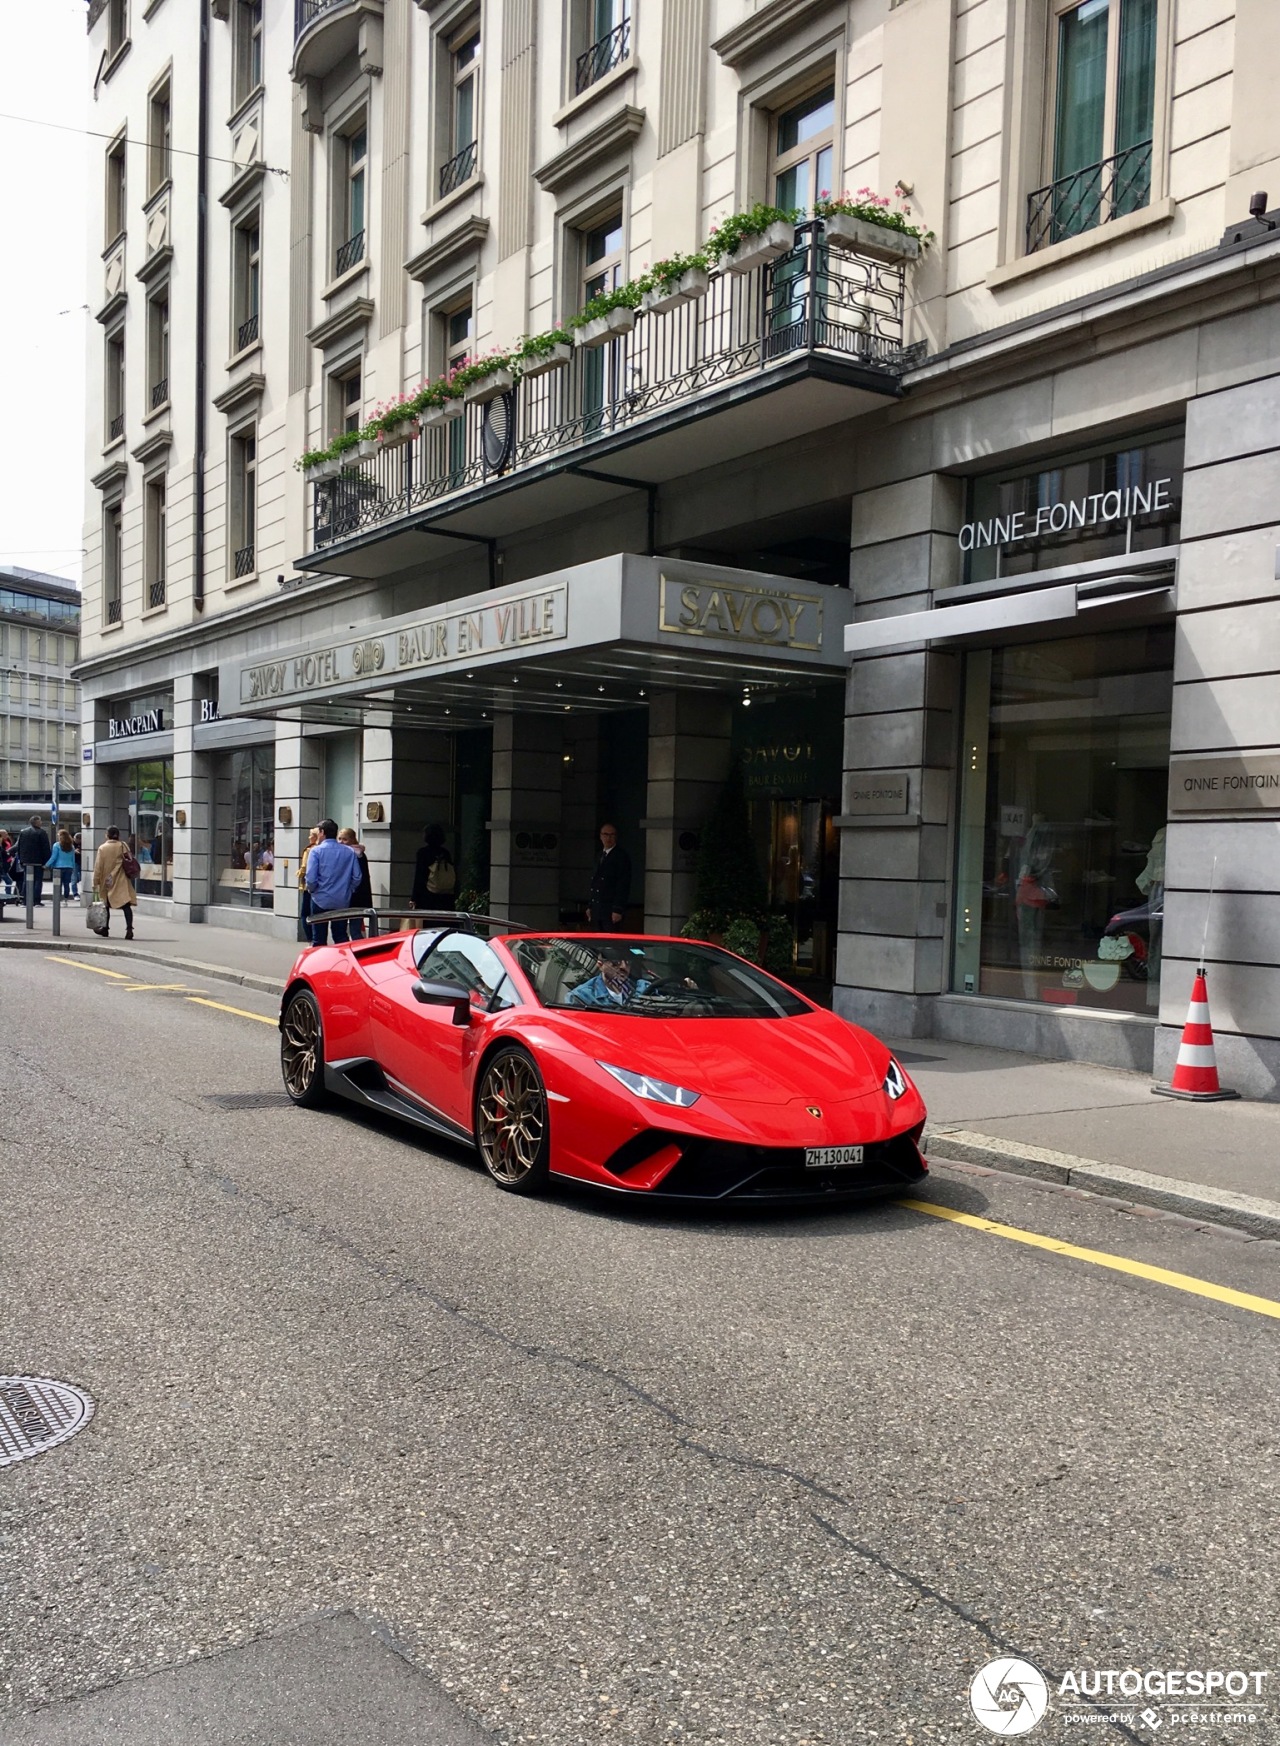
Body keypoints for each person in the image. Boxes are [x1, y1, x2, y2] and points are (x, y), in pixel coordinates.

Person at [305, 817, 361, 946]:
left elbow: (311, 878)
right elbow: (357, 877)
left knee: (319, 938)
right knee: (341, 936)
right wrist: (348, 890)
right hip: (342, 899)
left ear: (322, 832)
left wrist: (312, 890)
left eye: (318, 832)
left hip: (320, 898)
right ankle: (343, 963)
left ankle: (321, 965)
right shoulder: (349, 851)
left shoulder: (316, 851)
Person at [92, 826, 137, 940]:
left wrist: (95, 881)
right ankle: (129, 929)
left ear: (107, 835)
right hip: (121, 878)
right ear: (118, 835)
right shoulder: (123, 845)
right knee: (126, 905)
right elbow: (129, 859)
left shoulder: (103, 848)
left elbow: (98, 866)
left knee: (106, 904)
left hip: (106, 880)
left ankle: (105, 928)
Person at [568, 949, 653, 1009]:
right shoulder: (581, 996)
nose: (624, 967)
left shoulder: (643, 987)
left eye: (628, 962)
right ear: (600, 965)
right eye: (616, 963)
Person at [586, 823, 631, 931]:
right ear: (601, 836)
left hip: (610, 908)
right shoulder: (599, 856)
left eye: (612, 835)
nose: (608, 838)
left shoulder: (621, 856)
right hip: (597, 908)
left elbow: (623, 884)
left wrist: (617, 909)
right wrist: (590, 905)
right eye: (605, 834)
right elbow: (595, 882)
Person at [411, 824, 457, 911]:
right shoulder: (445, 853)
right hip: (445, 897)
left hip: (428, 895)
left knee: (428, 922)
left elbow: (419, 877)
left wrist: (414, 898)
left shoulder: (423, 853)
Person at [338, 827, 372, 938]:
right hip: (351, 896)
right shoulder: (353, 853)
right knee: (346, 928)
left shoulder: (356, 854)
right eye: (339, 839)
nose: (341, 842)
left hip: (355, 896)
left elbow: (359, 877)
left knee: (353, 930)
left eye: (345, 839)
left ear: (353, 840)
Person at [16, 815, 51, 907]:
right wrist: (46, 862)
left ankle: (25, 901)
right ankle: (36, 901)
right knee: (38, 881)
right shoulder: (42, 833)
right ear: (37, 823)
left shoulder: (23, 832)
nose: (41, 822)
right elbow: (45, 848)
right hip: (38, 861)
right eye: (40, 821)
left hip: (26, 861)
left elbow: (19, 847)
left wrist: (21, 859)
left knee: (26, 881)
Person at [298, 825, 320, 941]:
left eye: (311, 835)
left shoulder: (310, 850)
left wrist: (299, 873)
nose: (309, 837)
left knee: (305, 914)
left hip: (309, 886)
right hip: (323, 887)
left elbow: (305, 868)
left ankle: (311, 940)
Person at [46, 828, 77, 901]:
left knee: (57, 884)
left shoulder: (56, 845)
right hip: (69, 867)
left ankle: (57, 898)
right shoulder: (71, 846)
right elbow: (73, 858)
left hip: (58, 867)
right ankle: (65, 898)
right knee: (66, 884)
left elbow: (53, 857)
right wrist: (73, 867)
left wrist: (47, 865)